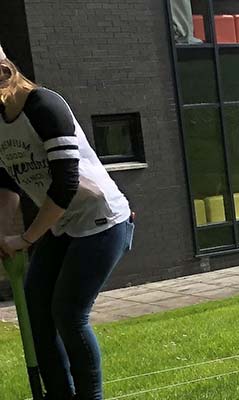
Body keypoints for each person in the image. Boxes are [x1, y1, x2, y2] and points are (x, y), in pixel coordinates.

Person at [0, 45, 136, 400]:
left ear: (3, 71)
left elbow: (66, 184)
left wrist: (27, 239)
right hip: (60, 224)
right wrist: (5, 236)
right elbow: (6, 183)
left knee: (67, 312)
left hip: (103, 220)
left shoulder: (45, 106)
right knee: (34, 313)